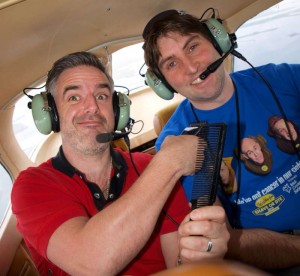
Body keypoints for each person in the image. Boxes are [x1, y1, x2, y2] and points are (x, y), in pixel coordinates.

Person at [11, 52, 229, 276]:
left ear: (118, 110)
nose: (93, 107)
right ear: (52, 114)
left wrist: (201, 257)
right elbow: (91, 263)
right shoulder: (32, 186)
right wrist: (170, 162)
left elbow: (178, 265)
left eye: (102, 96)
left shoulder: (149, 167)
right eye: (74, 98)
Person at [142, 9, 300, 273]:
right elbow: (223, 239)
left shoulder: (280, 78)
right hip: (280, 250)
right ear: (163, 84)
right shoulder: (179, 143)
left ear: (218, 42)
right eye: (171, 63)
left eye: (193, 46)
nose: (192, 67)